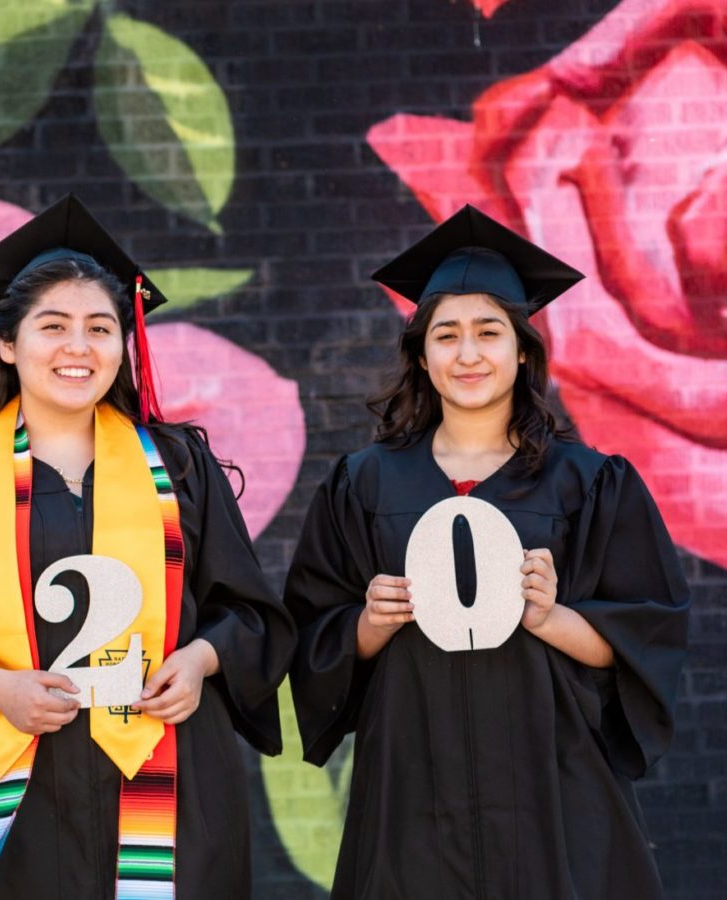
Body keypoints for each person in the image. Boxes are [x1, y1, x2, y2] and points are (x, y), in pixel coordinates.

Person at [0, 196, 295, 899]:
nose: (78, 348)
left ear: (126, 343)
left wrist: (199, 660)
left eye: (100, 327)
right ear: (7, 342)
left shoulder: (179, 468)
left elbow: (250, 615)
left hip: (170, 781)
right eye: (52, 326)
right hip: (6, 788)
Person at [285, 205, 690, 899]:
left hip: (552, 779)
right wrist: (368, 624)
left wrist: (551, 616)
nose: (467, 354)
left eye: (488, 332)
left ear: (524, 350)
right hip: (412, 781)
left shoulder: (587, 483)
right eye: (446, 335)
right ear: (420, 353)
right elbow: (310, 631)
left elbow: (646, 632)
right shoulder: (364, 483)